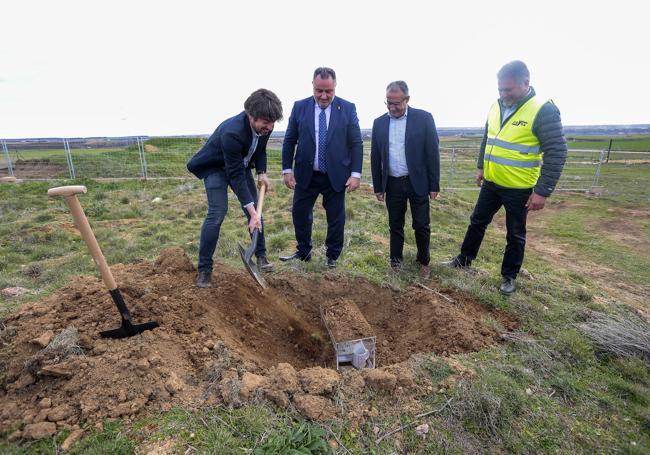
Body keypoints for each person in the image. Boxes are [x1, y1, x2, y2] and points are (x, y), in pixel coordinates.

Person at [444, 60, 567, 295]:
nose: (503, 94)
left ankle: (509, 276)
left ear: (526, 83)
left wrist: (542, 191)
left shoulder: (543, 110)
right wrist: (481, 167)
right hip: (492, 182)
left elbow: (557, 151)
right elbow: (487, 138)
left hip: (519, 187)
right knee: (477, 222)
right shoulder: (496, 106)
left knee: (515, 234)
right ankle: (464, 259)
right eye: (500, 89)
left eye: (508, 89)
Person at [187, 89, 283, 288]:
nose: (270, 126)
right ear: (251, 115)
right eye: (266, 122)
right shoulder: (232, 132)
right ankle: (204, 269)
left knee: (257, 211)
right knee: (217, 213)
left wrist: (262, 172)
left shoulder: (267, 125)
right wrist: (250, 210)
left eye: (273, 122)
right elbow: (235, 174)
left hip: (241, 166)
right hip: (216, 168)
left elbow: (261, 150)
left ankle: (261, 257)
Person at [279, 67, 363, 268]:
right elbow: (290, 140)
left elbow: (356, 143)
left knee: (336, 219)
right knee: (300, 213)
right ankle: (303, 252)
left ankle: (332, 257)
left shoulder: (348, 108)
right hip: (306, 174)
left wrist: (356, 174)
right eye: (319, 90)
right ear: (313, 86)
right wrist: (286, 170)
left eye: (328, 91)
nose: (323, 96)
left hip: (336, 175)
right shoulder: (300, 107)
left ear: (335, 87)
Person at [370, 81, 440, 279]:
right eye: (388, 103)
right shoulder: (379, 123)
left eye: (396, 103)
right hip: (392, 183)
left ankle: (424, 262)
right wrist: (378, 186)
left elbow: (432, 153)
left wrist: (434, 185)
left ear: (407, 100)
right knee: (395, 225)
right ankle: (395, 262)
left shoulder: (424, 118)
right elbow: (376, 156)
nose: (392, 107)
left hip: (417, 182)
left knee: (421, 224)